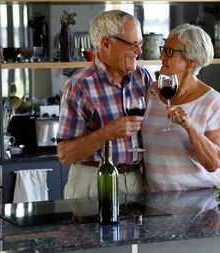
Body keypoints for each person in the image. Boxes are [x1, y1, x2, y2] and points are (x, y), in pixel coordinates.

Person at [57, 10, 152, 198]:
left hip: (135, 179)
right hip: (92, 180)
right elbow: (65, 154)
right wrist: (106, 133)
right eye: (133, 44)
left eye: (140, 43)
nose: (139, 51)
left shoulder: (143, 77)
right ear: (106, 43)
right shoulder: (79, 85)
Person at [141, 24, 220, 192]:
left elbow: (213, 163)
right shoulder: (151, 93)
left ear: (191, 62)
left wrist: (189, 127)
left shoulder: (213, 101)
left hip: (201, 201)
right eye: (163, 49)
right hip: (158, 203)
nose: (162, 56)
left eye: (169, 52)